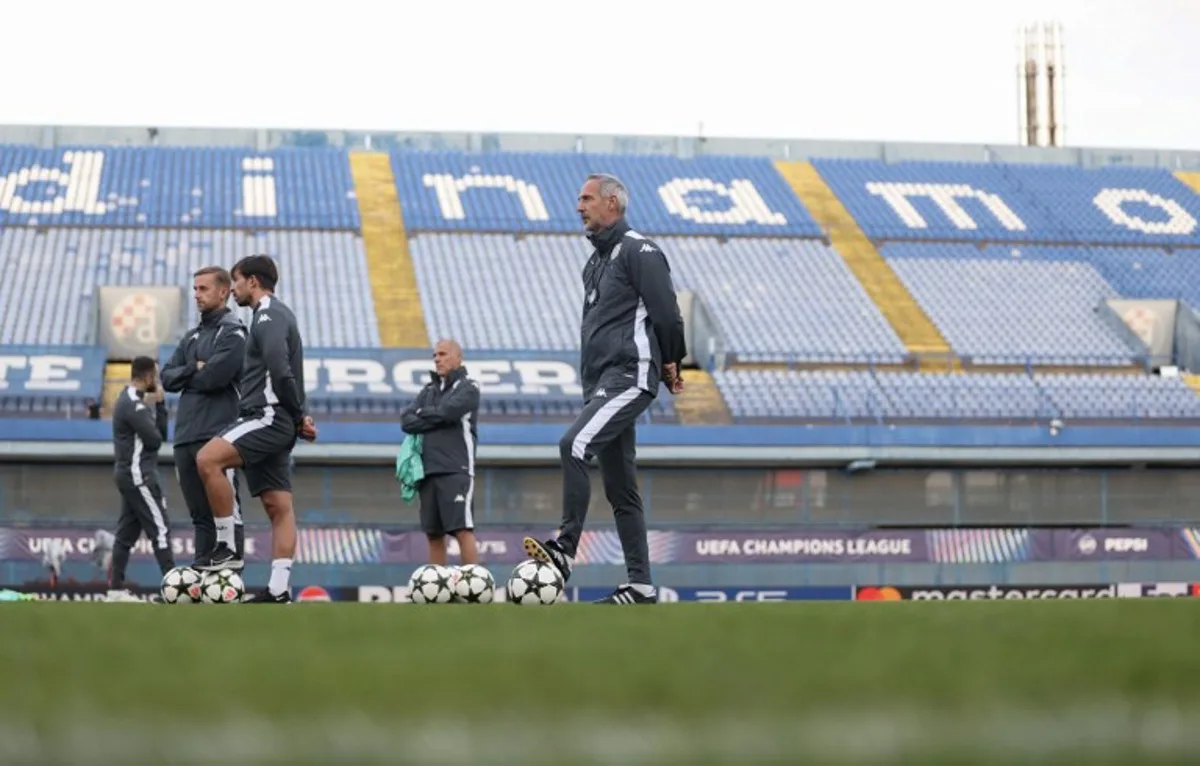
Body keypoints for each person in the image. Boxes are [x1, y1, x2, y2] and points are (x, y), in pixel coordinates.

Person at [524, 173, 686, 605]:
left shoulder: (641, 250)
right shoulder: (594, 263)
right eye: (579, 199)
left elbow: (667, 315)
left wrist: (673, 360)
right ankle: (641, 586)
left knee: (574, 444)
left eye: (587, 198)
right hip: (600, 382)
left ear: (612, 203)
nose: (579, 206)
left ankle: (564, 550)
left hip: (630, 375)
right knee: (621, 489)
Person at [193, 254, 317, 604]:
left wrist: (294, 415)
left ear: (252, 281)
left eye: (235, 281)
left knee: (207, 460)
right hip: (278, 418)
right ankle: (279, 589)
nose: (232, 289)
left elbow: (280, 369)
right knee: (279, 506)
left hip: (266, 416)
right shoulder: (276, 315)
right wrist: (299, 416)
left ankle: (226, 546)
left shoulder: (267, 316)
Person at [160, 266, 247, 566]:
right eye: (195, 288)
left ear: (224, 292)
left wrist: (192, 374)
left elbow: (215, 378)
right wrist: (191, 368)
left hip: (218, 434)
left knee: (225, 511)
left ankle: (230, 582)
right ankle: (201, 582)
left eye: (203, 289)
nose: (196, 294)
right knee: (200, 516)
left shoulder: (234, 333)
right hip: (185, 435)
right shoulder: (191, 336)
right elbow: (166, 378)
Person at [400, 339, 481, 566]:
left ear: (458, 357)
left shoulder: (469, 388)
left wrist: (425, 414)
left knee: (462, 530)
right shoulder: (428, 391)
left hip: (456, 469)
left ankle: (472, 589)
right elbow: (406, 421)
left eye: (443, 354)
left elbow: (448, 413)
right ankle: (437, 590)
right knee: (433, 534)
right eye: (435, 355)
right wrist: (435, 415)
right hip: (427, 471)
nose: (437, 359)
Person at [108, 356, 176, 602]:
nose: (156, 381)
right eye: (155, 377)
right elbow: (156, 440)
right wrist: (157, 405)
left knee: (126, 534)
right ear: (147, 377)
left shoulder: (130, 401)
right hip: (139, 476)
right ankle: (173, 589)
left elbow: (161, 435)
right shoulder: (133, 406)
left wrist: (158, 405)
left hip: (131, 475)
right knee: (160, 528)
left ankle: (115, 590)